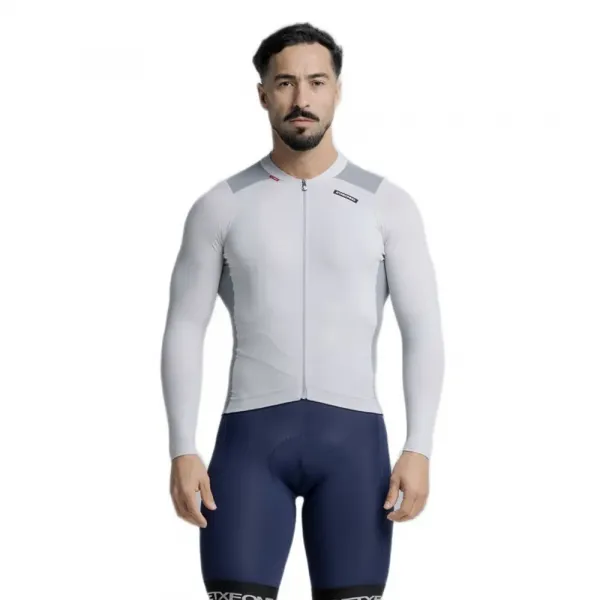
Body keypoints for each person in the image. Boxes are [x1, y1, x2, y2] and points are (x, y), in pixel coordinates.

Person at [161, 22, 445, 600]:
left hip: (355, 449)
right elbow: (185, 328)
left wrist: (419, 446)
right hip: (248, 446)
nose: (301, 98)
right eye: (285, 82)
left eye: (316, 82)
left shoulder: (386, 204)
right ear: (263, 94)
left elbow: (422, 331)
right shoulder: (221, 205)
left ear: (337, 90)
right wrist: (181, 448)